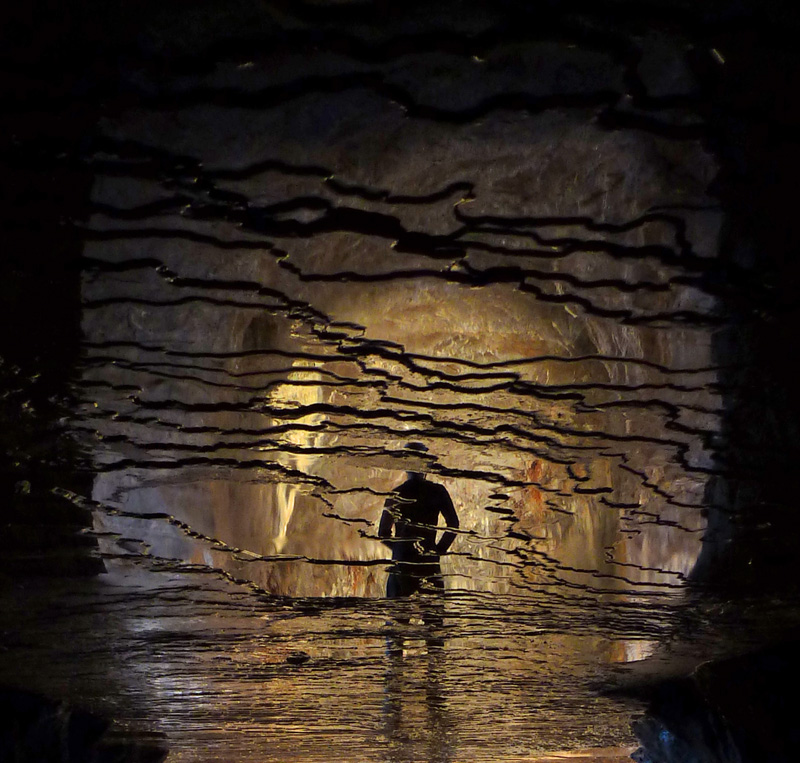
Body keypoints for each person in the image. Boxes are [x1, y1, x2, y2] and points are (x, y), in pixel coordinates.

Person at [378, 443, 459, 598]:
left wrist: (400, 548)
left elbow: (383, 533)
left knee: (398, 618)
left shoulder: (396, 494)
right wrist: (438, 550)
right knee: (433, 617)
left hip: (401, 562)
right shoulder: (437, 491)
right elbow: (453, 524)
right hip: (427, 561)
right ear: (426, 466)